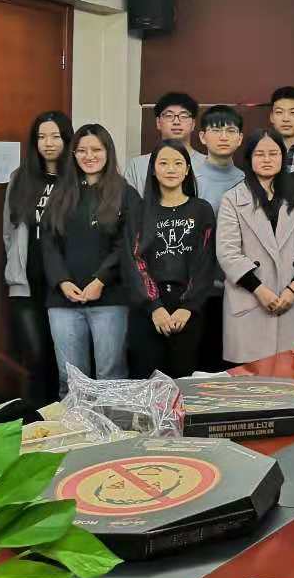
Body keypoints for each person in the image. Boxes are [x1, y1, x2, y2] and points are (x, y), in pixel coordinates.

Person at [41, 123, 139, 391]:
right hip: (63, 300)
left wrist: (101, 280)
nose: (89, 156)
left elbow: (128, 244)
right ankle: (74, 421)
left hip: (110, 299)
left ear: (108, 152)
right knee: (70, 379)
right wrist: (62, 281)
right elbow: (48, 243)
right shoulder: (61, 193)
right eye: (82, 150)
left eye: (96, 149)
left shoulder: (125, 193)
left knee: (111, 377)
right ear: (73, 154)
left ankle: (110, 422)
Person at [216, 129, 294, 364]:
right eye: (260, 154)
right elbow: (228, 253)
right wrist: (260, 290)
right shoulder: (232, 199)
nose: (267, 159)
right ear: (249, 158)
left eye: (274, 153)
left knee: (289, 376)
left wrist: (293, 289)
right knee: (250, 381)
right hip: (249, 300)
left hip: (290, 302)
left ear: (283, 157)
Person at [127, 141, 216, 378]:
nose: (171, 169)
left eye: (178, 163)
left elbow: (205, 262)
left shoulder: (201, 210)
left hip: (188, 309)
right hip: (147, 309)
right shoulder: (139, 211)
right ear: (153, 170)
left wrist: (188, 307)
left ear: (187, 170)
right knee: (147, 382)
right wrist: (154, 307)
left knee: (185, 382)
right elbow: (134, 260)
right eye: (163, 163)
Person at [3, 110, 73, 403]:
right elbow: (9, 231)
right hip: (27, 284)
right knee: (35, 357)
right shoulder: (20, 178)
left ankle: (65, 418)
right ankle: (36, 419)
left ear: (66, 139)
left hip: (65, 284)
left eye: (55, 136)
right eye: (42, 137)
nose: (48, 143)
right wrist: (15, 266)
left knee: (65, 360)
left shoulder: (76, 179)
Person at [193, 104, 245, 370]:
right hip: (197, 289)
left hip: (238, 288)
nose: (223, 137)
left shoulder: (248, 180)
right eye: (216, 130)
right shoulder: (189, 178)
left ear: (240, 138)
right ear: (202, 137)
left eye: (230, 131)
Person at [124, 92, 206, 194]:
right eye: (169, 115)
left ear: (193, 124)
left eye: (184, 116)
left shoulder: (207, 164)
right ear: (158, 122)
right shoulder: (137, 166)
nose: (176, 122)